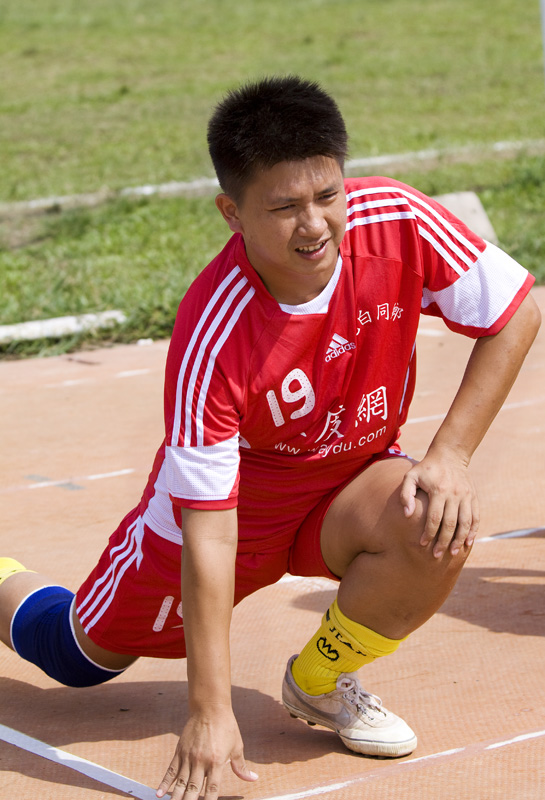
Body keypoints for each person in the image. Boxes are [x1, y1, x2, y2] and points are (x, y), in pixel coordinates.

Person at [0, 75, 541, 800]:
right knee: (73, 658)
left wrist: (450, 456)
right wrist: (209, 711)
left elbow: (515, 312)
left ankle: (319, 682)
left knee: (434, 519)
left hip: (348, 479)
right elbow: (210, 531)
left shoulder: (397, 219)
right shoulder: (214, 334)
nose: (314, 225)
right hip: (232, 512)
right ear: (233, 213)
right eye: (284, 207)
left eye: (326, 195)